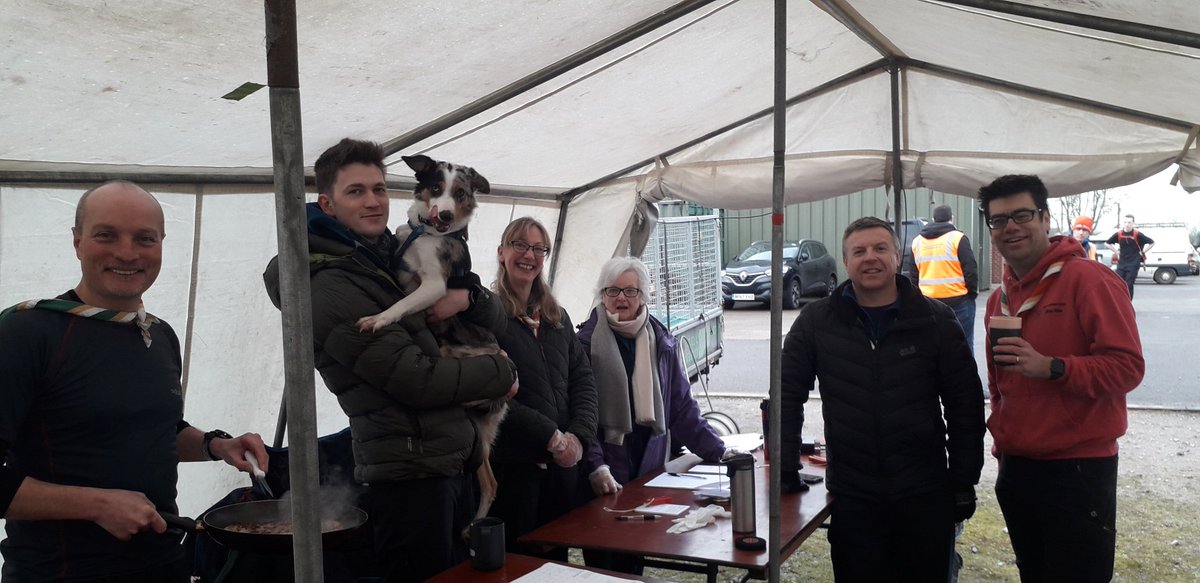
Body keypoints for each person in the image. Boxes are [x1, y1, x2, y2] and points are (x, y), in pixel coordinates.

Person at [262, 138, 517, 583]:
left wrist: (469, 297)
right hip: (409, 473)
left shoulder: (381, 253)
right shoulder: (326, 285)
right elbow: (416, 380)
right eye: (356, 191)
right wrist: (502, 372)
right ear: (326, 202)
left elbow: (496, 315)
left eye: (379, 189)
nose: (373, 201)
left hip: (442, 460)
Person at [0, 180, 269, 583]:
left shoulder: (158, 335)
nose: (127, 253)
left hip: (163, 564)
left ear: (161, 243)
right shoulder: (28, 333)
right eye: (106, 235)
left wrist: (217, 445)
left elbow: (157, 431)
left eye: (145, 238)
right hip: (59, 572)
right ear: (77, 241)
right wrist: (95, 505)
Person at [780, 217, 985, 583]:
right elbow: (786, 394)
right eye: (858, 251)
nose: (869, 258)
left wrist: (963, 479)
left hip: (924, 493)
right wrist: (785, 467)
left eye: (879, 248)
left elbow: (964, 404)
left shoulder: (935, 320)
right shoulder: (816, 322)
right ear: (846, 261)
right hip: (854, 496)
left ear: (897, 256)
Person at [979, 175, 1144, 582]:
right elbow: (999, 385)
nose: (1010, 227)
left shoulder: (1090, 280)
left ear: (1046, 217)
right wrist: (1004, 442)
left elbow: (1128, 367)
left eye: (1021, 215)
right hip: (1019, 467)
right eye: (998, 220)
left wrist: (1055, 367)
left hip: (1077, 471)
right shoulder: (1000, 298)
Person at [576, 256, 731, 575]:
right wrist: (595, 466)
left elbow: (681, 408)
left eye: (630, 291)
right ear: (602, 294)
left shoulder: (661, 341)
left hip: (648, 464)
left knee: (635, 553)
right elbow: (581, 416)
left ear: (644, 295)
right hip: (604, 465)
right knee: (603, 560)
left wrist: (719, 451)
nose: (621, 298)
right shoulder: (585, 344)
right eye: (613, 290)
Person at [486, 217, 598, 560]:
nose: (529, 255)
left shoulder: (557, 317)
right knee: (521, 564)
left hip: (562, 470)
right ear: (502, 252)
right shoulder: (489, 317)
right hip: (515, 471)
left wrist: (578, 435)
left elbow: (583, 380)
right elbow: (490, 395)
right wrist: (550, 435)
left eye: (539, 248)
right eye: (520, 245)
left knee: (557, 560)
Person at [902, 204, 979, 355]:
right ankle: (963, 378)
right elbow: (970, 269)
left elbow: (913, 276)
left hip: (929, 303)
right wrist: (971, 293)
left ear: (933, 219)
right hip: (959, 302)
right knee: (963, 346)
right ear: (952, 219)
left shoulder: (917, 242)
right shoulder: (958, 238)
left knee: (932, 347)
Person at [1105, 214, 1154, 298]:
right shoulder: (1119, 234)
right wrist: (1116, 252)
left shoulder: (1137, 234)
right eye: (1125, 222)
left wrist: (1142, 252)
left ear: (1133, 223)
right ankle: (1120, 302)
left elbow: (1152, 242)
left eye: (1129, 222)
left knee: (1129, 284)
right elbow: (1107, 243)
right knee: (1119, 283)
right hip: (1122, 263)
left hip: (1134, 263)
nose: (1127, 224)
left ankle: (1128, 304)